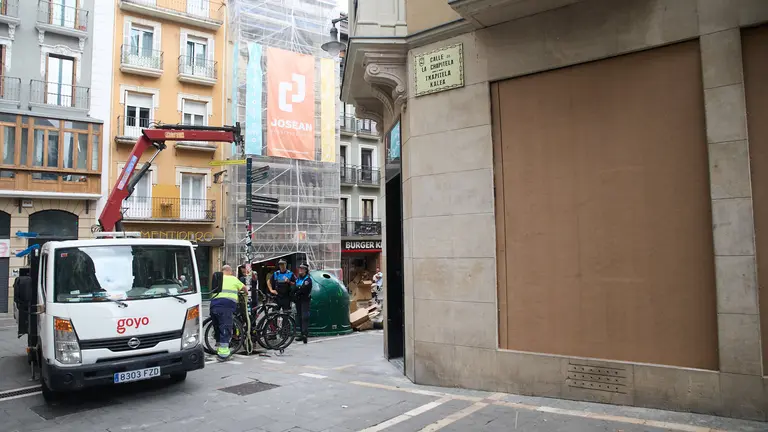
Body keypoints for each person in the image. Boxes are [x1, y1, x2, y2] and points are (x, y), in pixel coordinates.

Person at [209, 265, 247, 360]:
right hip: (225, 306)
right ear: (229, 271)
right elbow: (244, 288)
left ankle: (219, 348)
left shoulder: (217, 278)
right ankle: (224, 354)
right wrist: (245, 293)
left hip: (213, 305)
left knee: (217, 327)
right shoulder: (233, 279)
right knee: (225, 328)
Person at [293, 263, 313, 344]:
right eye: (299, 268)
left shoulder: (308, 280)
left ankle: (305, 334)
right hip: (298, 300)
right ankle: (301, 334)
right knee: (300, 317)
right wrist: (297, 289)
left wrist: (298, 289)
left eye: (302, 269)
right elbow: (294, 288)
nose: (300, 270)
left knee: (304, 316)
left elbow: (303, 289)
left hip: (305, 300)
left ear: (305, 270)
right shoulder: (298, 279)